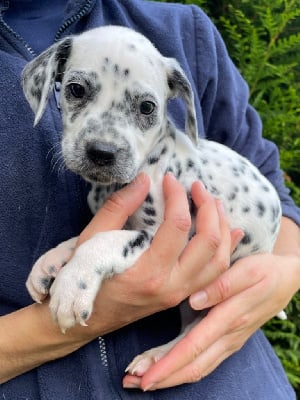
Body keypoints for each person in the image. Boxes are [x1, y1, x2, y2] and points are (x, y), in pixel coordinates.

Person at [0, 0, 299, 398]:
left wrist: (284, 276)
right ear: (46, 85)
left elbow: (281, 207)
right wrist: (56, 324)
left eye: (143, 108)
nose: (105, 141)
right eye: (77, 91)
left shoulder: (184, 29)